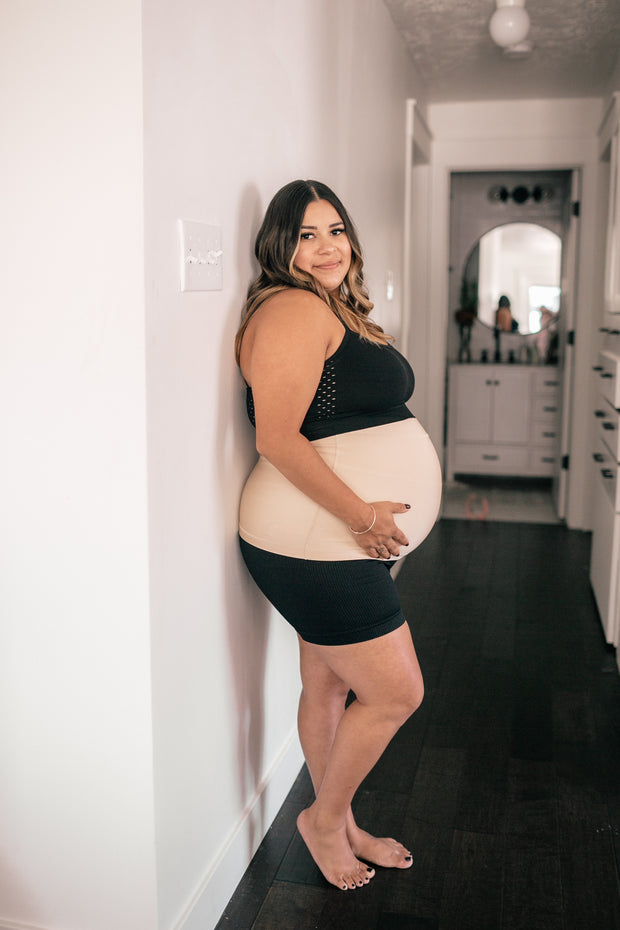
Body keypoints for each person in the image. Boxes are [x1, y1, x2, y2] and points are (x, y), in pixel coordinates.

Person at [234, 180, 442, 892]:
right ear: (279, 248)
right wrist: (361, 515)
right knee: (395, 694)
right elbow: (277, 438)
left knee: (326, 688)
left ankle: (340, 817)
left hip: (324, 534)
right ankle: (323, 821)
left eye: (335, 230)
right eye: (305, 235)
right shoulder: (292, 308)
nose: (325, 247)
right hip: (313, 538)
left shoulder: (326, 305)